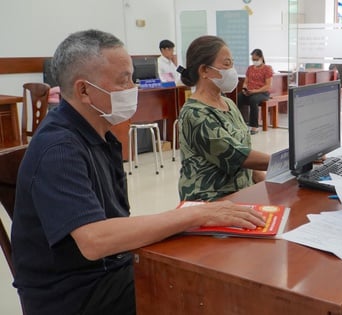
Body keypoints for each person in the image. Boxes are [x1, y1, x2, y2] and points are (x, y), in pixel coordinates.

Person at [11, 29, 265, 315]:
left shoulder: (97, 133)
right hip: (76, 293)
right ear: (83, 90)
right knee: (208, 291)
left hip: (110, 268)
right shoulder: (59, 148)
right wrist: (195, 213)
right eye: (124, 81)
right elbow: (95, 240)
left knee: (216, 269)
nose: (134, 88)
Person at [178, 36, 270, 202]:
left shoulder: (227, 103)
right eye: (227, 64)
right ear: (204, 70)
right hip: (210, 202)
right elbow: (238, 156)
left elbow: (246, 155)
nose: (232, 70)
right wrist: (290, 159)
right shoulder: (195, 113)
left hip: (239, 197)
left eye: (232, 64)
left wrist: (269, 187)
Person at [237, 48, 273, 134]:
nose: (255, 61)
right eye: (253, 59)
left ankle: (254, 127)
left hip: (262, 93)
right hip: (250, 92)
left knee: (253, 100)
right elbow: (245, 82)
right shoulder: (250, 68)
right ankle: (238, 123)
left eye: (256, 59)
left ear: (261, 58)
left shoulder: (267, 69)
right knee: (238, 97)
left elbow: (268, 86)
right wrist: (244, 89)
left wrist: (255, 91)